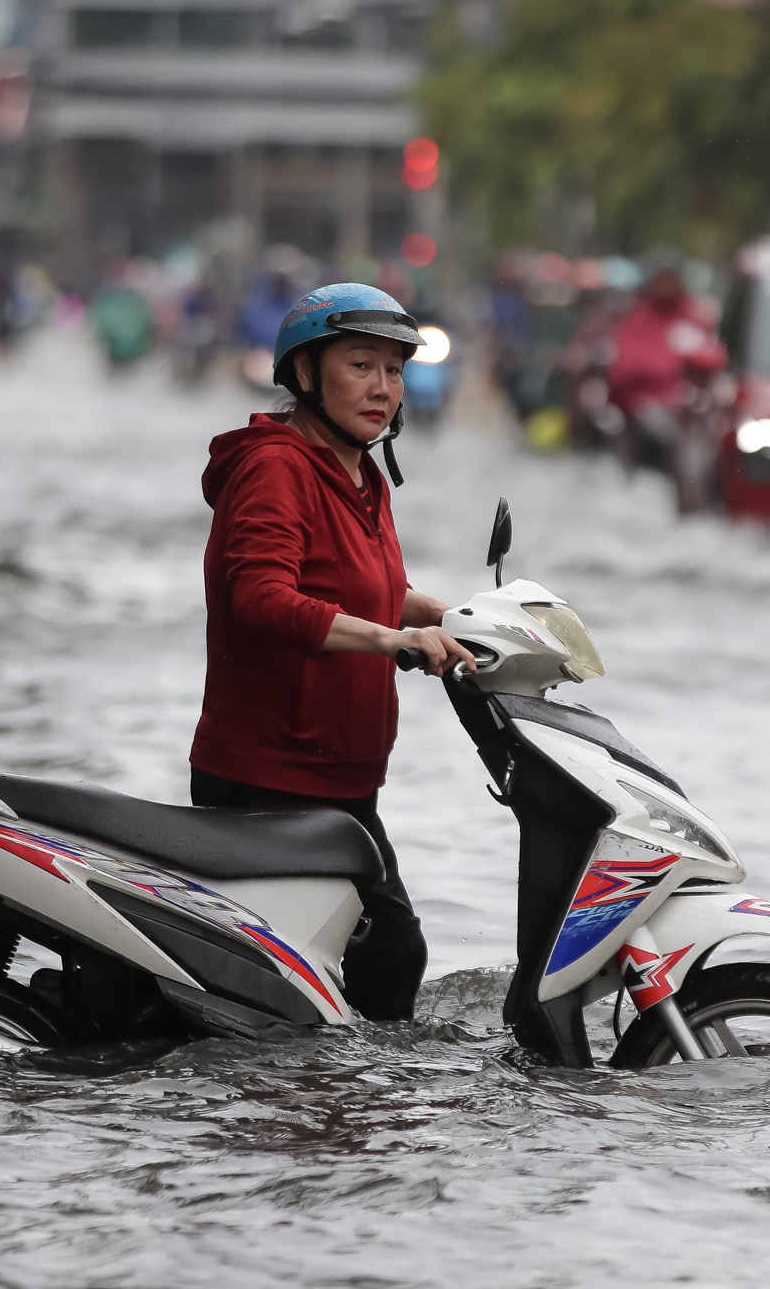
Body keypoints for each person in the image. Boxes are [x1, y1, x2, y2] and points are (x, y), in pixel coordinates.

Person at [190, 282, 476, 1021]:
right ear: (307, 373)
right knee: (384, 953)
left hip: (342, 779)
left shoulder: (361, 471)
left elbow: (372, 583)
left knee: (374, 958)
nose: (383, 387)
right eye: (361, 365)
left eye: (394, 368)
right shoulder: (275, 468)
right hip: (272, 778)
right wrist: (394, 640)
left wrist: (460, 617)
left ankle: (328, 1094)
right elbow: (264, 598)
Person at [602, 256, 726, 472]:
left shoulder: (695, 316)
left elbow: (711, 355)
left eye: (670, 280)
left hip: (684, 401)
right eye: (661, 280)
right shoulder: (637, 318)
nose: (665, 286)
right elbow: (623, 364)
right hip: (642, 404)